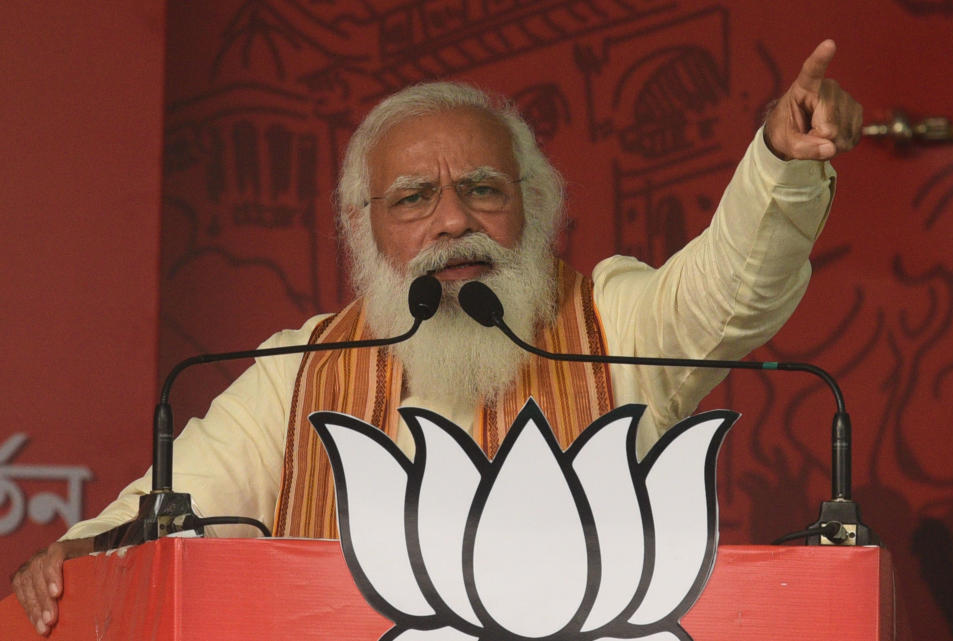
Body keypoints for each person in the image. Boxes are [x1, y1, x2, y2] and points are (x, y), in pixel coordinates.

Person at [12, 39, 861, 635]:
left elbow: (732, 290)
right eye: (415, 198)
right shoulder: (303, 369)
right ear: (363, 226)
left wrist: (783, 164)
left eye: (483, 189)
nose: (454, 219)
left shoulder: (612, 320)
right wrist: (79, 552)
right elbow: (182, 504)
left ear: (533, 204)